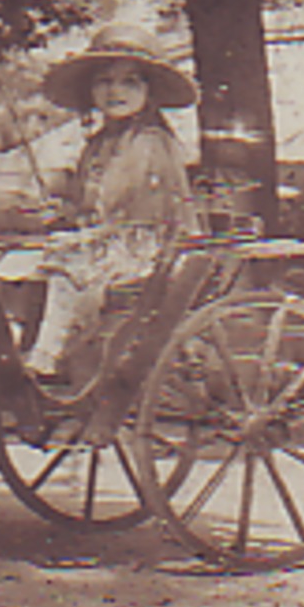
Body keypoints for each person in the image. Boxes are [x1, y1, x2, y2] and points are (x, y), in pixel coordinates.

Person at [17, 23, 202, 376]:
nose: (115, 91)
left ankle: (47, 354)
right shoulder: (98, 143)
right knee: (23, 256)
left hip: (149, 248)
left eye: (129, 82)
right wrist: (64, 211)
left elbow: (143, 217)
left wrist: (83, 233)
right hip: (106, 242)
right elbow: (87, 205)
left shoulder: (152, 143)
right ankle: (25, 341)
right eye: (104, 81)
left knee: (65, 257)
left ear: (148, 90)